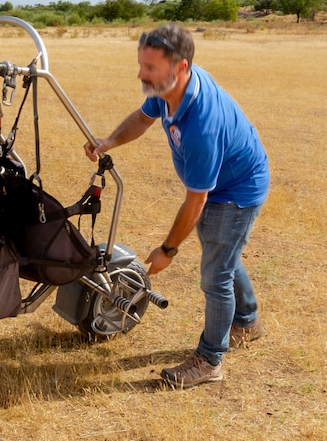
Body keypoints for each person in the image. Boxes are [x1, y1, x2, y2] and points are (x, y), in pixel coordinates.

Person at [85, 23, 269, 389]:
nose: (141, 74)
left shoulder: (202, 121)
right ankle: (247, 322)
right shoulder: (168, 89)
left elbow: (197, 199)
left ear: (180, 68)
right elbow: (142, 118)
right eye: (142, 64)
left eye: (150, 67)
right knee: (222, 253)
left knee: (215, 274)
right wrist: (109, 141)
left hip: (236, 191)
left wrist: (168, 249)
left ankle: (209, 361)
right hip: (218, 186)